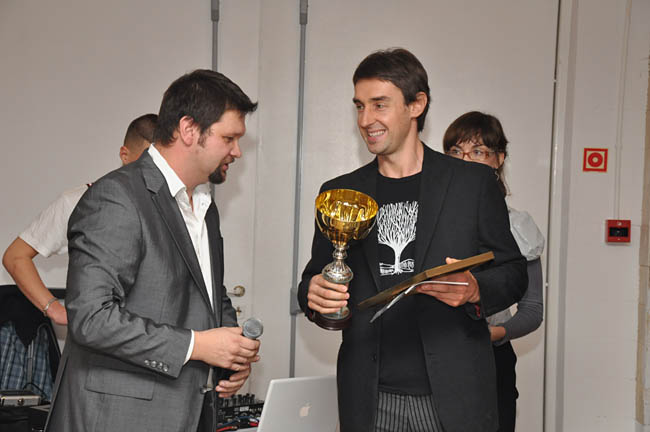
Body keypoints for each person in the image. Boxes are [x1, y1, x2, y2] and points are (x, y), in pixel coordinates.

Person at [297, 48, 528, 432]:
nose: (365, 120)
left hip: (453, 398)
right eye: (359, 106)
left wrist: (475, 288)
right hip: (369, 399)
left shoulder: (471, 184)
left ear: (416, 104)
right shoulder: (339, 193)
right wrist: (314, 294)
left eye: (379, 105)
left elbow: (513, 272)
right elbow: (314, 278)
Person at [45, 70, 260, 432]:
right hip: (115, 419)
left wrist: (230, 353)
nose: (237, 151)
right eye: (229, 138)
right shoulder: (117, 197)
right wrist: (196, 346)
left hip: (186, 411)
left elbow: (208, 293)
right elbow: (91, 319)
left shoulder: (203, 205)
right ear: (189, 129)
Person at [2, 113, 157, 326]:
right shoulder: (81, 200)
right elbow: (15, 256)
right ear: (125, 154)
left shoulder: (177, 206)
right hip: (100, 338)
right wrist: (54, 309)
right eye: (147, 163)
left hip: (155, 336)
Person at [443, 111, 544, 432]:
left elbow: (532, 310)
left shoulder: (517, 225)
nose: (465, 161)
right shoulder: (430, 220)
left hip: (490, 360)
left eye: (478, 152)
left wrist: (495, 334)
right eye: (456, 151)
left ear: (499, 159)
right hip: (433, 360)